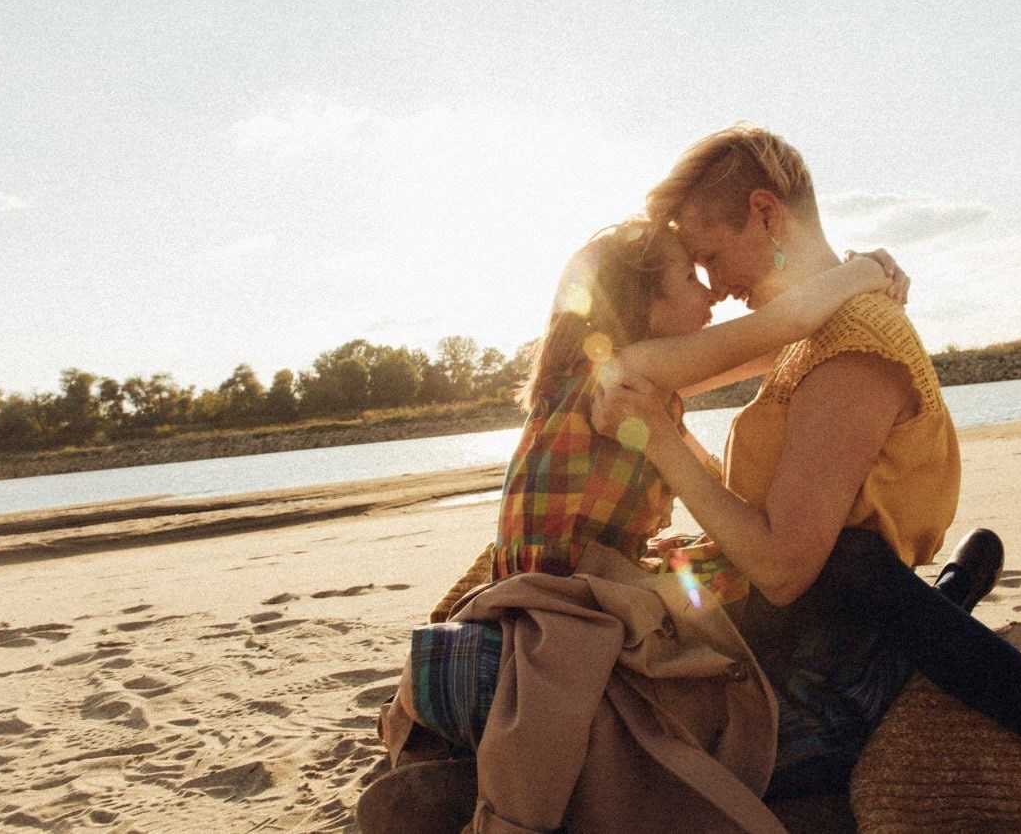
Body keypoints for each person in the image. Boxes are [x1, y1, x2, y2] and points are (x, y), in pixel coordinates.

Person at [591, 124, 1021, 832]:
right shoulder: (804, 336)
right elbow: (694, 361)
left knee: (856, 564)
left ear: (765, 211)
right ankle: (960, 594)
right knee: (863, 568)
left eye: (712, 256)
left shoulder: (850, 343)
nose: (715, 287)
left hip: (819, 641)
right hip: (825, 601)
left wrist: (662, 441)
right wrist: (862, 266)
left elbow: (785, 568)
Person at [361, 216, 957, 831]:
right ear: (642, 304)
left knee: (719, 561)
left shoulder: (618, 384)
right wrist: (866, 270)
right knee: (752, 582)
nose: (710, 294)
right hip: (570, 610)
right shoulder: (623, 367)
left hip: (570, 591)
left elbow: (777, 354)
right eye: (690, 277)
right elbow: (784, 331)